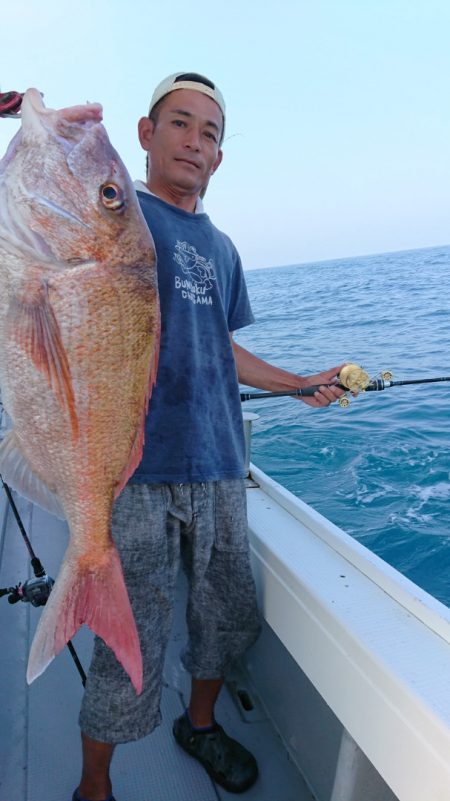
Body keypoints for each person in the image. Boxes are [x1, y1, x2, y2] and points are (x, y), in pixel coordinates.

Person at [73, 72, 345, 801]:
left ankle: (199, 724)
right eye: (181, 124)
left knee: (225, 613)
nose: (195, 141)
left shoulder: (221, 248)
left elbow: (221, 346)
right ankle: (93, 787)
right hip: (135, 469)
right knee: (129, 639)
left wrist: (295, 381)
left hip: (223, 461)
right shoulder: (118, 218)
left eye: (210, 132)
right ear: (145, 134)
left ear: (220, 156)